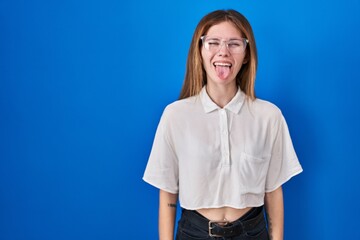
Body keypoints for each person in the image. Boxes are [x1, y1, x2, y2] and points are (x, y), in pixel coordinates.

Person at [143, 9, 303, 240]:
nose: (223, 52)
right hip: (194, 232)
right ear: (199, 50)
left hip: (252, 232)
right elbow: (167, 193)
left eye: (234, 44)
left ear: (247, 53)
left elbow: (273, 191)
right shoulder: (175, 115)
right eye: (213, 42)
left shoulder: (269, 116)